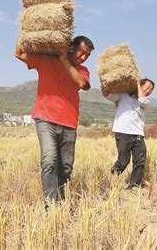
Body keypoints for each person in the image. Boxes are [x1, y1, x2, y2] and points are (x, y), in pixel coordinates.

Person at [15, 35, 94, 204]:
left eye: (87, 55)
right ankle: (50, 205)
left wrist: (64, 60)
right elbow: (19, 53)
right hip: (45, 118)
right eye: (82, 52)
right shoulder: (47, 61)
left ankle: (60, 197)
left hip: (69, 122)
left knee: (65, 167)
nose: (83, 57)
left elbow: (81, 84)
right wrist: (25, 30)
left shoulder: (82, 70)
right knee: (50, 160)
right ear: (71, 47)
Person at [102, 78, 155, 190]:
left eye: (151, 90)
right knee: (123, 160)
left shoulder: (145, 101)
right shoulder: (123, 96)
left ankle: (134, 185)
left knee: (140, 161)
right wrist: (104, 84)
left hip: (138, 134)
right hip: (123, 133)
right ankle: (113, 177)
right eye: (147, 88)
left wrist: (138, 85)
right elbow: (107, 95)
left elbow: (142, 100)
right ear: (140, 86)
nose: (148, 91)